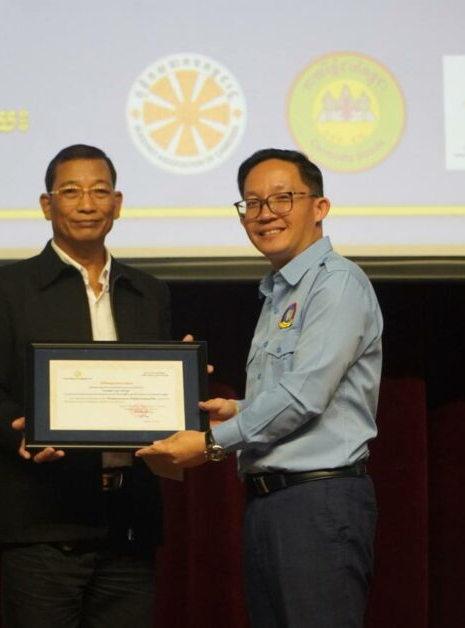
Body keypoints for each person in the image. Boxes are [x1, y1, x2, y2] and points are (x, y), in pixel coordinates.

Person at [136, 148, 383, 628]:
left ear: (320, 207)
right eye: (252, 202)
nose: (265, 213)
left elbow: (303, 396)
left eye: (282, 198)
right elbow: (295, 392)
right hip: (272, 503)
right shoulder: (279, 292)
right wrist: (237, 409)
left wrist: (211, 444)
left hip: (317, 502)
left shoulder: (336, 285)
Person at [0, 144, 170, 628]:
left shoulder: (149, 292)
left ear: (117, 203)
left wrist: (182, 385)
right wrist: (20, 429)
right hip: (44, 526)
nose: (87, 204)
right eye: (71, 191)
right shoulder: (5, 288)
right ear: (47, 204)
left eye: (100, 191)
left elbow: (154, 398)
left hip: (129, 526)